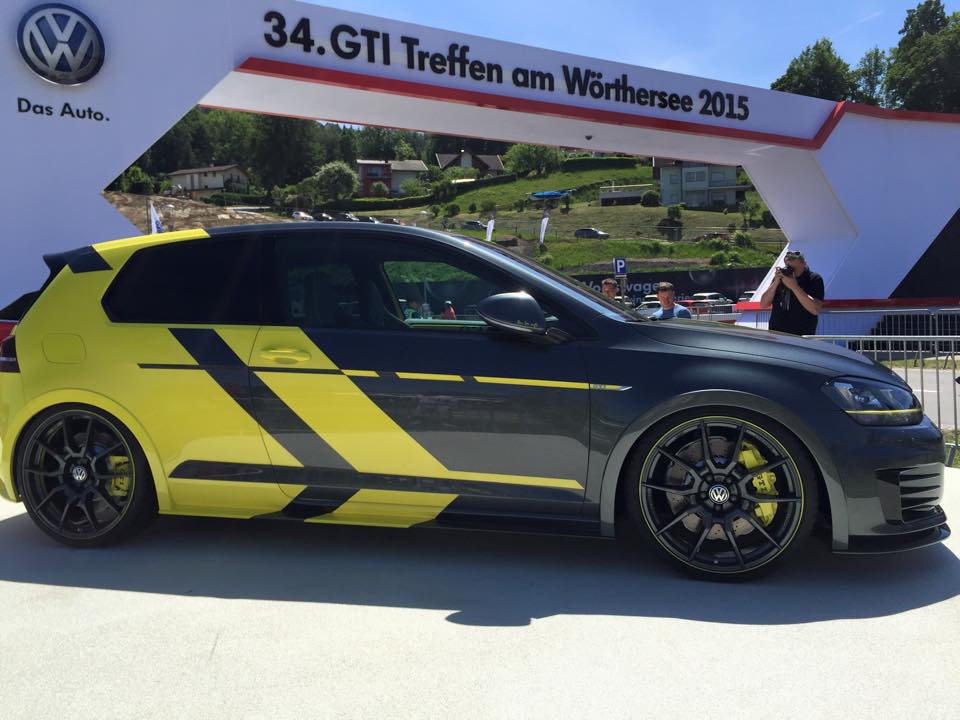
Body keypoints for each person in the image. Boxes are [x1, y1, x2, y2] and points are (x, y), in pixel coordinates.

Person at [760, 249, 824, 335]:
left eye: (793, 268)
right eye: (788, 267)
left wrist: (794, 287)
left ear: (804, 264)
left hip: (802, 335)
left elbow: (815, 309)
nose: (790, 271)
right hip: (777, 333)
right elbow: (763, 304)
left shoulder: (814, 279)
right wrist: (776, 283)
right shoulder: (780, 278)